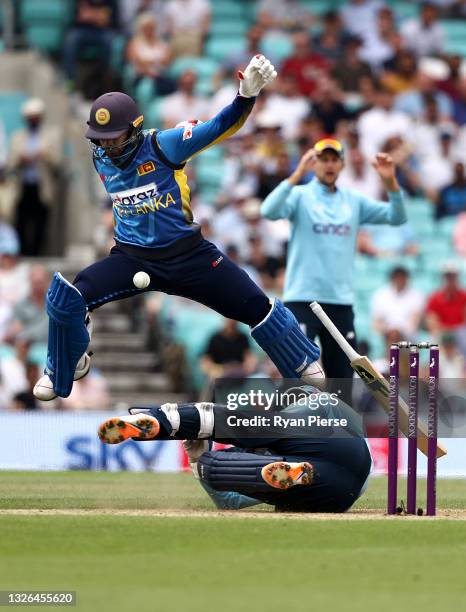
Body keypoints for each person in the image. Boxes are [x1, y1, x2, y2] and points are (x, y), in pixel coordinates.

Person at [33, 55, 324, 404]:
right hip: (133, 258)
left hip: (189, 256)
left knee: (257, 306)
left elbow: (218, 128)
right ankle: (65, 364)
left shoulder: (164, 144)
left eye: (114, 137)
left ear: (135, 128)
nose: (108, 146)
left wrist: (245, 97)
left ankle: (303, 359)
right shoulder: (100, 158)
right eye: (102, 139)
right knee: (70, 296)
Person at [260, 138, 407, 395]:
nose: (329, 165)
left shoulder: (354, 201)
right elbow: (269, 210)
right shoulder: (300, 195)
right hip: (301, 299)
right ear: (314, 163)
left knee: (341, 385)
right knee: (298, 381)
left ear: (342, 164)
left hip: (339, 301)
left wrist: (390, 182)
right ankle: (298, 434)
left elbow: (397, 216)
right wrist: (296, 174)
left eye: (334, 159)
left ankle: (341, 435)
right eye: (323, 159)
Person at [97, 388, 372, 513]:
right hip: (340, 489)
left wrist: (195, 460)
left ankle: (162, 419)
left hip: (318, 475)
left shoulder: (296, 415)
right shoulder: (325, 411)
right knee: (234, 451)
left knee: (217, 461)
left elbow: (229, 502)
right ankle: (298, 475)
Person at [8, 99, 62, 256]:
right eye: (30, 117)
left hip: (42, 187)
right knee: (20, 222)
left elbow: (58, 161)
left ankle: (37, 256)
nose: (33, 120)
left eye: (35, 116)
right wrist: (20, 159)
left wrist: (44, 155)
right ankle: (21, 255)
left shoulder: (51, 135)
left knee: (40, 224)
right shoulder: (18, 137)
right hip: (23, 186)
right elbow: (10, 163)